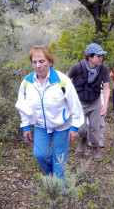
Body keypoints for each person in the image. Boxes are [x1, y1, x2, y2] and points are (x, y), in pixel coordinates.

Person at [15, 45, 84, 181]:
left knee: (59, 160)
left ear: (50, 62)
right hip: (41, 126)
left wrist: (75, 127)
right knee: (40, 155)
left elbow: (75, 105)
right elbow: (23, 105)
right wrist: (26, 126)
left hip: (62, 126)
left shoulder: (62, 80)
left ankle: (60, 191)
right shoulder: (27, 83)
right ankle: (53, 178)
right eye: (34, 62)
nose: (38, 65)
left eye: (42, 61)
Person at [67, 43, 110, 160]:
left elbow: (106, 88)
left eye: (102, 56)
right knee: (80, 129)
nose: (101, 58)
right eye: (98, 56)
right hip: (79, 103)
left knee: (94, 128)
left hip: (95, 102)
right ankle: (84, 140)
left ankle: (95, 148)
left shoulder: (104, 69)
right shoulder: (77, 67)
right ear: (89, 57)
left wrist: (105, 104)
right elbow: (65, 81)